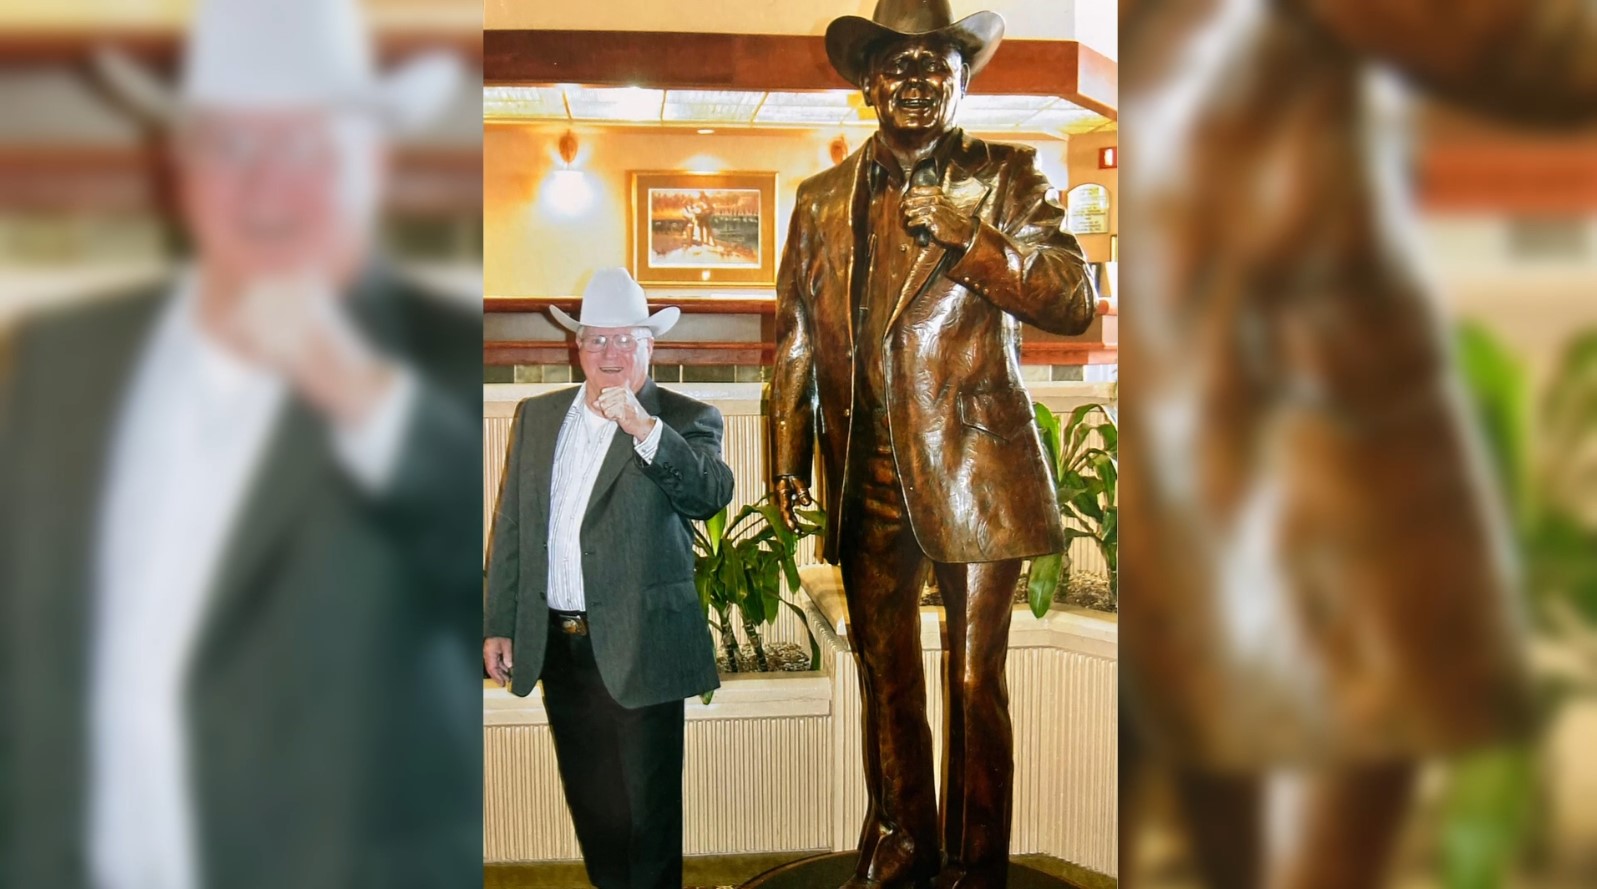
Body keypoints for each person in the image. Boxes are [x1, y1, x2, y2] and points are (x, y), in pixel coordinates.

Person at [0, 1, 480, 887]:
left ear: (368, 167)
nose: (265, 187)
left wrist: (359, 394)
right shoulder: (63, 361)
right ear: (179, 166)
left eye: (306, 147)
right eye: (230, 144)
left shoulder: (444, 360)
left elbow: (484, 579)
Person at [1117, 0, 1577, 885]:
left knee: (1320, 821)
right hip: (1178, 487)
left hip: (1323, 470)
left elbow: (1536, 55)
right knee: (1222, 817)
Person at [768, 1, 1097, 886]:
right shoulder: (819, 198)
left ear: (960, 82)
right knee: (886, 673)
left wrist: (974, 242)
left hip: (975, 467)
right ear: (868, 82)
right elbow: (796, 335)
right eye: (897, 67)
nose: (916, 83)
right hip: (866, 471)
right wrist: (788, 456)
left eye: (935, 68)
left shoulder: (1006, 176)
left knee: (972, 678)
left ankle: (976, 861)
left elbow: (1073, 300)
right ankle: (904, 840)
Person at [483, 266, 734, 889]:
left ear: (651, 346)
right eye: (597, 339)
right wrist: (497, 623)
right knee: (594, 812)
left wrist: (645, 431)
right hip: (560, 649)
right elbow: (512, 525)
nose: (610, 353)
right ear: (579, 347)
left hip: (642, 649)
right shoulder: (538, 418)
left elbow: (709, 495)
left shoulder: (684, 416)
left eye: (626, 340)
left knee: (649, 822)